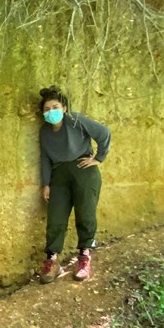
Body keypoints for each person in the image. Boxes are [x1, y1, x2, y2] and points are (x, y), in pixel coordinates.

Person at [37, 86, 111, 283]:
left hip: (84, 171)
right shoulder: (44, 132)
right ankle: (52, 260)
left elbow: (103, 133)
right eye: (46, 109)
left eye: (55, 107)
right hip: (59, 175)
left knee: (85, 214)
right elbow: (45, 157)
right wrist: (46, 183)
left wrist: (98, 158)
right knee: (55, 217)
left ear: (64, 108)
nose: (51, 111)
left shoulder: (74, 120)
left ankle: (84, 257)